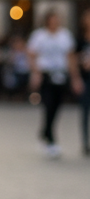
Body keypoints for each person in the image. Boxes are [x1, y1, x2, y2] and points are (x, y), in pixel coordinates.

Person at [27, 10, 83, 158]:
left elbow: (70, 57)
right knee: (48, 104)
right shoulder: (39, 36)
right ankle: (51, 138)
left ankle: (45, 131)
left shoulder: (65, 35)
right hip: (46, 74)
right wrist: (35, 73)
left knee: (57, 105)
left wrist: (75, 78)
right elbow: (31, 55)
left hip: (61, 74)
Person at [79, 9, 90, 156]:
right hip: (85, 79)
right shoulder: (80, 40)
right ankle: (85, 142)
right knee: (85, 111)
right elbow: (73, 57)